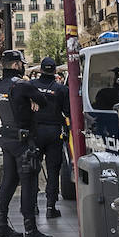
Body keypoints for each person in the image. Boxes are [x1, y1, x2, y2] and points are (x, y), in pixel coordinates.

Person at [0, 50, 53, 237]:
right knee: (29, 183)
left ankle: (0, 223)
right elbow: (43, 101)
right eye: (22, 64)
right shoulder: (23, 85)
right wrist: (32, 100)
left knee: (8, 181)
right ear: (16, 65)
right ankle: (31, 229)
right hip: (23, 140)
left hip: (6, 138)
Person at [31, 57, 72, 218]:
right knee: (53, 170)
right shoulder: (61, 89)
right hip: (54, 132)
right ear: (55, 71)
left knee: (33, 169)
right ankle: (50, 207)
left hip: (35, 131)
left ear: (41, 70)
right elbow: (68, 112)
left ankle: (32, 204)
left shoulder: (32, 86)